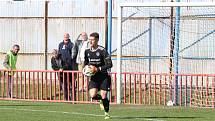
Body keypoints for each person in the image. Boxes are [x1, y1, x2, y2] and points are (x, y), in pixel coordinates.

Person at [84, 32, 112, 119]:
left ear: (97, 40)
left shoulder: (102, 50)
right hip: (94, 77)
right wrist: (85, 70)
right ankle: (101, 100)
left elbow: (110, 64)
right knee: (92, 95)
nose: (91, 41)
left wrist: (98, 69)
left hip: (103, 76)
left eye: (92, 40)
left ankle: (106, 113)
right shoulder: (87, 51)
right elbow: (86, 63)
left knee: (104, 95)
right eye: (90, 39)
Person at [58, 33, 77, 100]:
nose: (65, 37)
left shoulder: (71, 45)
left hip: (70, 67)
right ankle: (66, 98)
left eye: (67, 36)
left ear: (69, 37)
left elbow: (73, 56)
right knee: (64, 83)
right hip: (63, 68)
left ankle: (73, 98)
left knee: (72, 83)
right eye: (64, 36)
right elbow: (59, 55)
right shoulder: (60, 44)